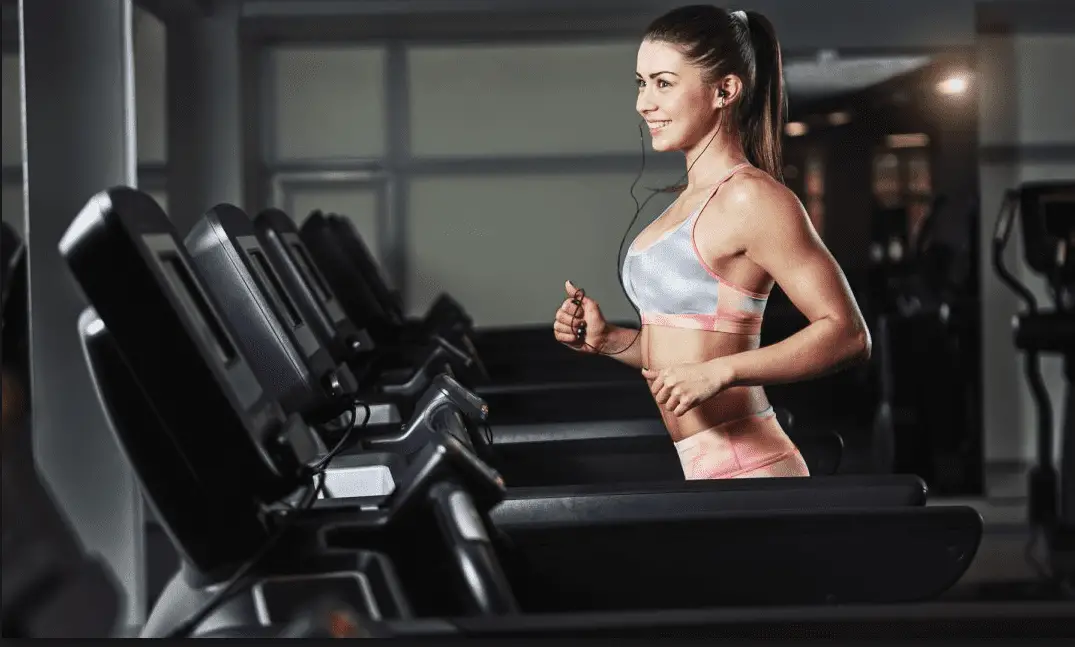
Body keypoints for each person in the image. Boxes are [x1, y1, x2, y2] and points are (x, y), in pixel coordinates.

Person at [552, 5, 871, 480]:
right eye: (641, 83)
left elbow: (848, 335)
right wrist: (609, 341)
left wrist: (723, 372)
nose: (643, 103)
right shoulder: (687, 201)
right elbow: (689, 356)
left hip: (753, 468)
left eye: (663, 82)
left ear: (725, 89)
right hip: (704, 468)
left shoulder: (752, 198)